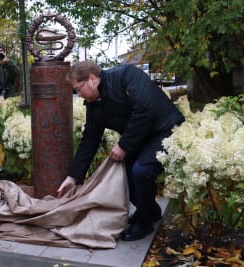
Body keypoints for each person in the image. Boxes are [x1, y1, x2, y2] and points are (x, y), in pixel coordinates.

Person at [57, 61, 185, 241]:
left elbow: (144, 109)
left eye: (79, 89)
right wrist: (73, 176)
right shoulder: (94, 104)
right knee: (122, 170)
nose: (79, 95)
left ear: (92, 79)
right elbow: (90, 139)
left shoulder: (126, 75)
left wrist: (124, 146)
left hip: (166, 129)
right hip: (140, 137)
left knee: (141, 171)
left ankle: (144, 222)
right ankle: (149, 210)